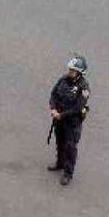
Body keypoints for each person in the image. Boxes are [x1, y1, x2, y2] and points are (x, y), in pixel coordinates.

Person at [47, 56, 90, 186]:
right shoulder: (63, 80)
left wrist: (62, 115)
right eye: (70, 69)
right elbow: (53, 94)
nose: (70, 71)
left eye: (73, 70)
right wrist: (53, 109)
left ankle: (68, 173)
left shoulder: (84, 88)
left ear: (79, 72)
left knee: (70, 147)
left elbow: (78, 107)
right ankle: (60, 163)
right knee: (59, 142)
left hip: (72, 123)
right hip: (58, 119)